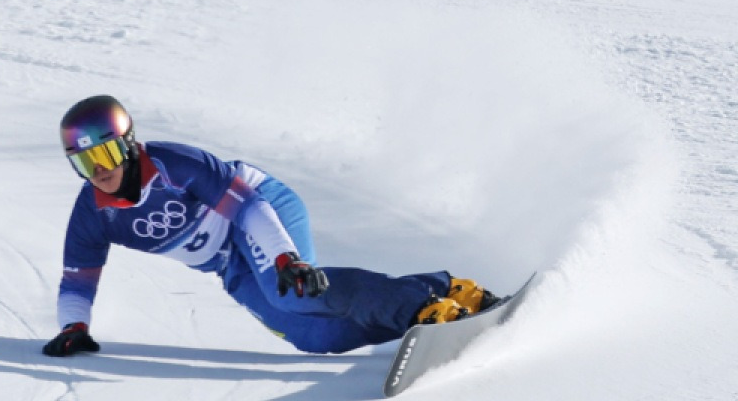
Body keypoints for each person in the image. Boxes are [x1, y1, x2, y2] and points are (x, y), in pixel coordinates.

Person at [42, 95, 499, 357]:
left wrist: (286, 258)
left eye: (104, 154)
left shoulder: (175, 164)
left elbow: (249, 208)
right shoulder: (93, 215)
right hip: (227, 263)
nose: (98, 170)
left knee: (290, 291)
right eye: (84, 162)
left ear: (128, 145)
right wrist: (74, 328)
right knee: (314, 337)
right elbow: (77, 280)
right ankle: (440, 292)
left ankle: (418, 306)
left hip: (262, 213)